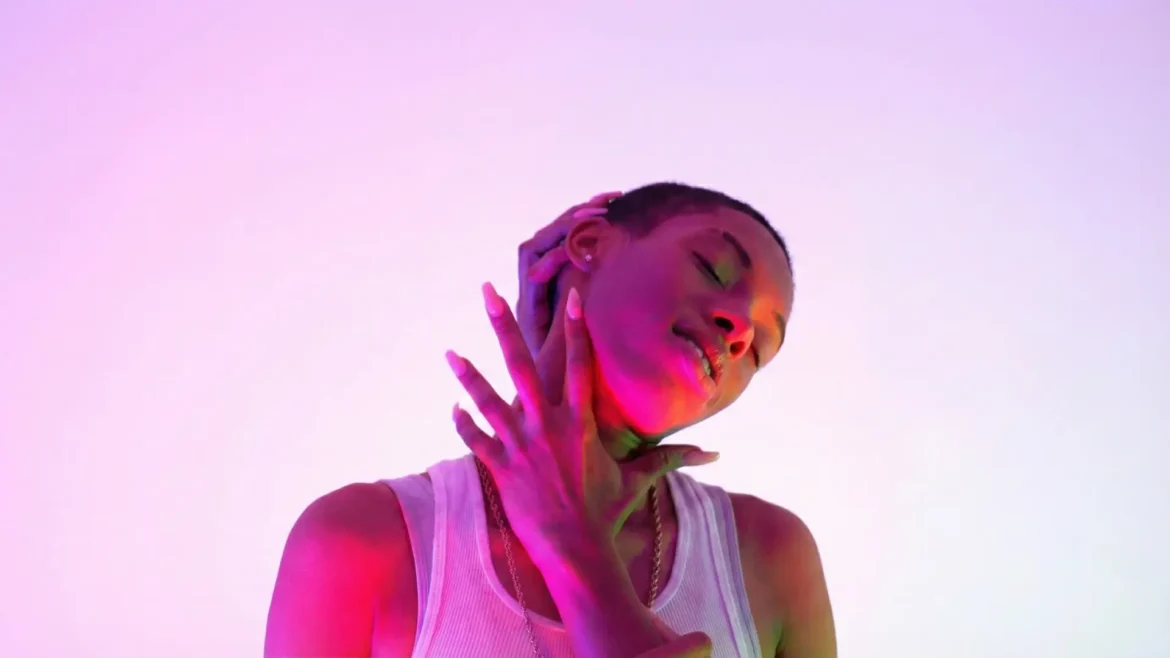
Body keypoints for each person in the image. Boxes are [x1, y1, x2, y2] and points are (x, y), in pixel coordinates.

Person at [264, 183, 837, 657]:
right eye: (711, 268)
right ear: (589, 242)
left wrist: (577, 546)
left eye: (760, 347)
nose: (738, 328)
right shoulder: (359, 543)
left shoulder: (770, 557)